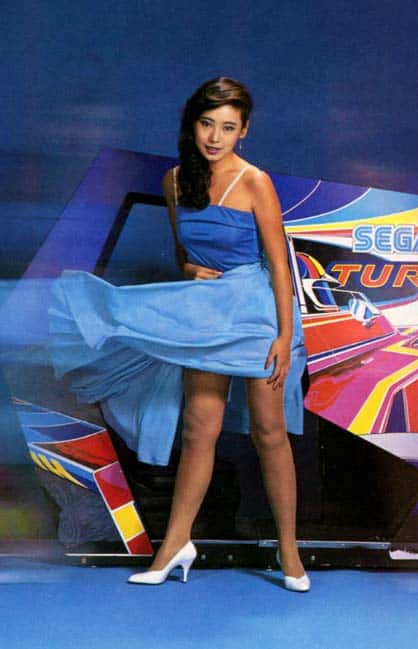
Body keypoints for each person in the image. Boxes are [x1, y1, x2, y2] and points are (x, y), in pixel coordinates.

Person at [48, 77, 309, 592]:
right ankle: (175, 545)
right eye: (207, 124)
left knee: (269, 434)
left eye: (228, 127)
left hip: (256, 317)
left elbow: (280, 266)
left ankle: (290, 550)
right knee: (197, 431)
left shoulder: (255, 181)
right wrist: (190, 270)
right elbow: (184, 254)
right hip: (207, 318)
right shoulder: (174, 182)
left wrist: (284, 336)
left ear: (243, 131)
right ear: (192, 125)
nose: (215, 137)